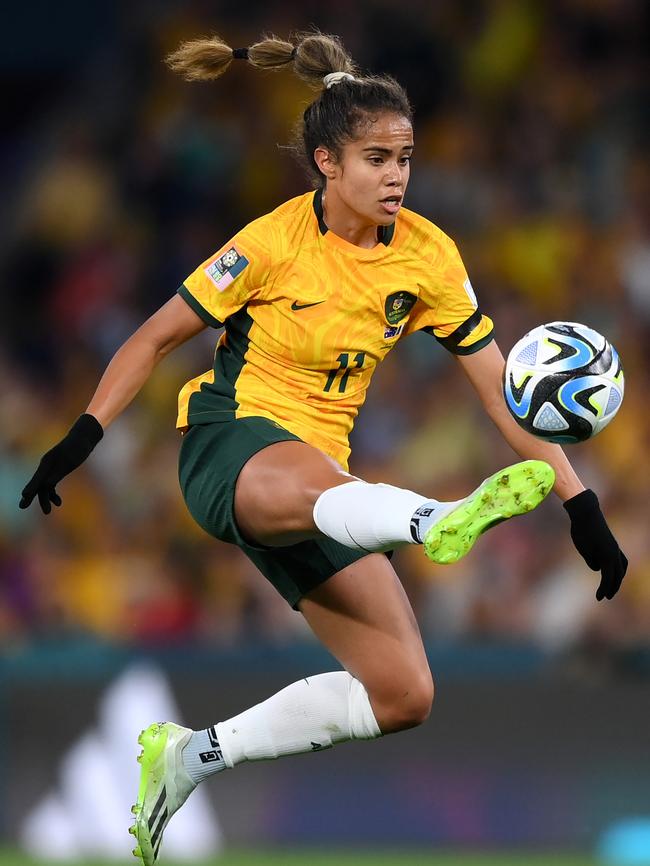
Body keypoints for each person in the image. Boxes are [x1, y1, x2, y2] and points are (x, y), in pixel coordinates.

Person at [19, 30, 628, 866]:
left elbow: (499, 388)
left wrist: (581, 504)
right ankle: (431, 521)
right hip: (230, 447)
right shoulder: (268, 243)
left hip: (325, 490)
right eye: (377, 158)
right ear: (326, 163)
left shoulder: (427, 255)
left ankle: (188, 757)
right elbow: (156, 335)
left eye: (406, 157)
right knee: (315, 479)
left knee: (403, 692)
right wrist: (82, 434)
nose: (397, 176)